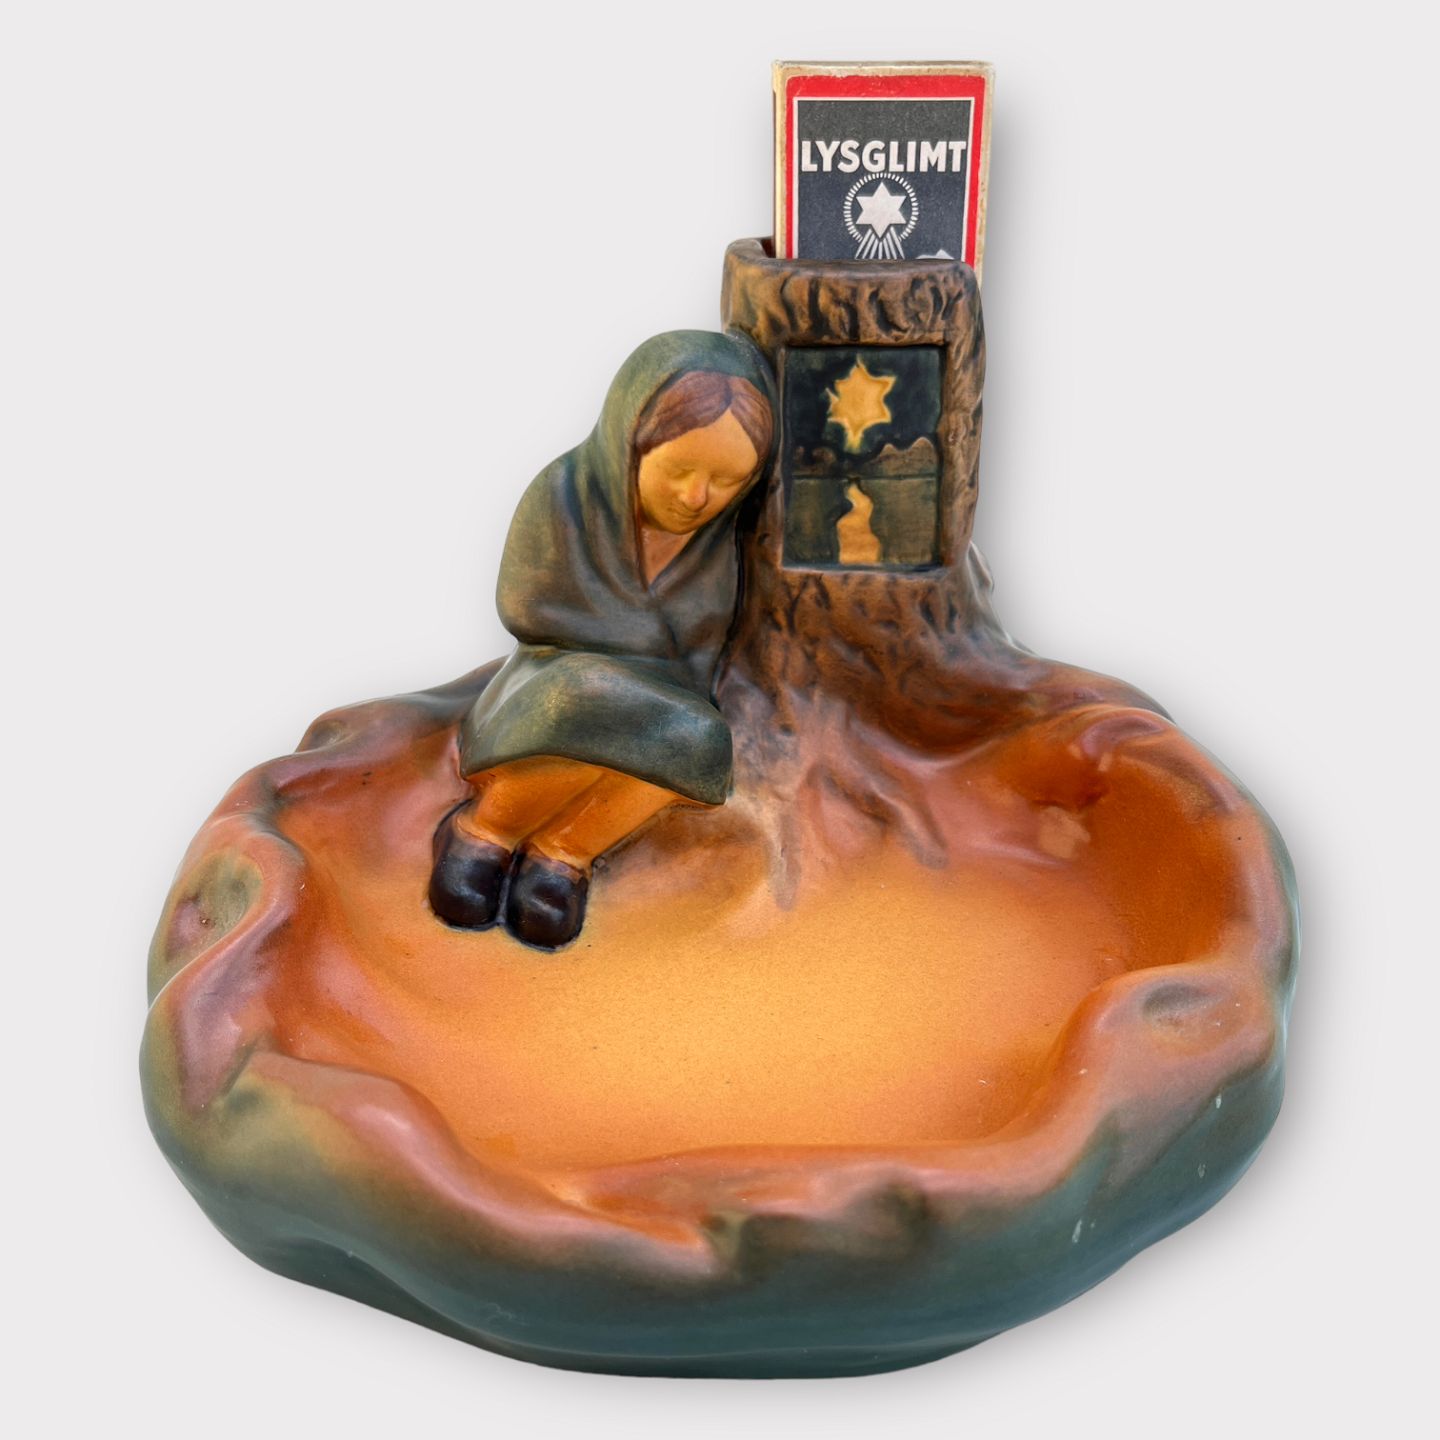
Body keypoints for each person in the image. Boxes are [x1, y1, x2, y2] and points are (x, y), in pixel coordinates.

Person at [430, 329, 776, 948]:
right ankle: (486, 833)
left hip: (654, 703)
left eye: (727, 480)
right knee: (585, 699)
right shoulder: (563, 494)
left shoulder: (718, 546)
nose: (697, 497)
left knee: (698, 741)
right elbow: (525, 606)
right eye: (678, 470)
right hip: (553, 681)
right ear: (629, 443)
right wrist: (639, 643)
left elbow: (702, 649)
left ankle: (564, 852)